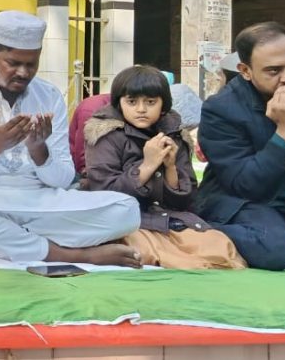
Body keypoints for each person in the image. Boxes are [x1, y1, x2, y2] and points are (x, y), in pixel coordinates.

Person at [0, 11, 141, 266]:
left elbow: (63, 179)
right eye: (13, 63)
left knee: (126, 209)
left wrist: (39, 151)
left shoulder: (49, 96)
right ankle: (75, 254)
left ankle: (12, 242)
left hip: (37, 203)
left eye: (31, 64)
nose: (24, 73)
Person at [84, 65, 246, 269]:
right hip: (124, 221)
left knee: (221, 248)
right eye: (132, 102)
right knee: (146, 253)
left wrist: (170, 168)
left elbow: (186, 201)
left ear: (163, 105)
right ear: (119, 103)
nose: (141, 109)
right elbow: (104, 192)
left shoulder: (175, 135)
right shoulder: (105, 135)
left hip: (167, 219)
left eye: (150, 102)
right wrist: (147, 166)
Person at [195, 22, 285, 270]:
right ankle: (202, 231)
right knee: (273, 249)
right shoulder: (221, 109)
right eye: (274, 71)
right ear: (245, 71)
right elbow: (246, 185)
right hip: (251, 206)